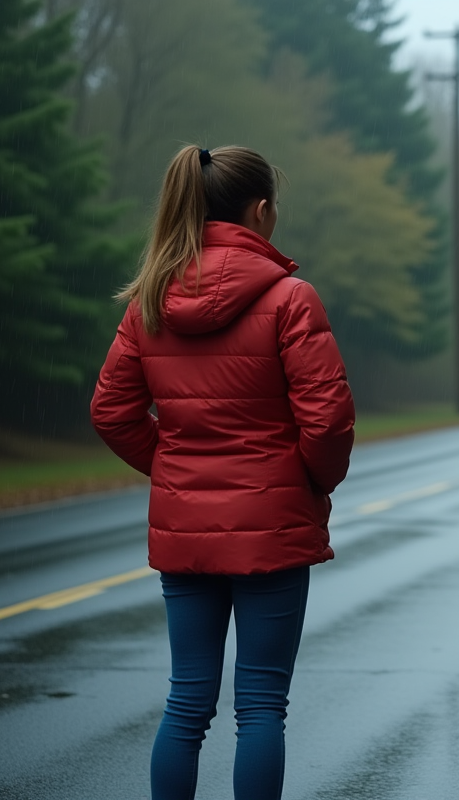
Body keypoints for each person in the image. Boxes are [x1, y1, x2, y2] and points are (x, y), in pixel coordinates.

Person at [91, 145, 355, 800]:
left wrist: (177, 469)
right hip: (271, 530)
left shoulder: (150, 301)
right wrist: (305, 484)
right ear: (261, 211)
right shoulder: (291, 299)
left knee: (186, 702)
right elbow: (327, 421)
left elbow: (111, 411)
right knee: (261, 705)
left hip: (186, 531)